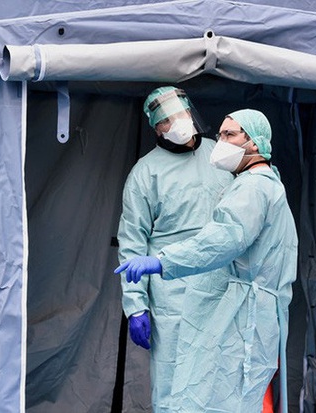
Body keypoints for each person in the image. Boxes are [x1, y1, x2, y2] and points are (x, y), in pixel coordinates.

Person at [115, 109, 298, 413]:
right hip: (237, 313)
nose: (221, 141)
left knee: (220, 400)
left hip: (241, 318)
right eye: (221, 133)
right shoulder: (256, 183)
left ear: (254, 142)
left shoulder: (253, 188)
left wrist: (162, 262)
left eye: (230, 134)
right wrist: (138, 301)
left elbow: (222, 240)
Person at [117, 86, 233, 411]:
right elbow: (132, 244)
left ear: (191, 113)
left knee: (223, 383)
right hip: (173, 300)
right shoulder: (145, 174)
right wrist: (135, 306)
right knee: (174, 386)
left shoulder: (220, 155)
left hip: (223, 290)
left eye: (181, 114)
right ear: (157, 128)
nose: (177, 123)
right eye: (167, 120)